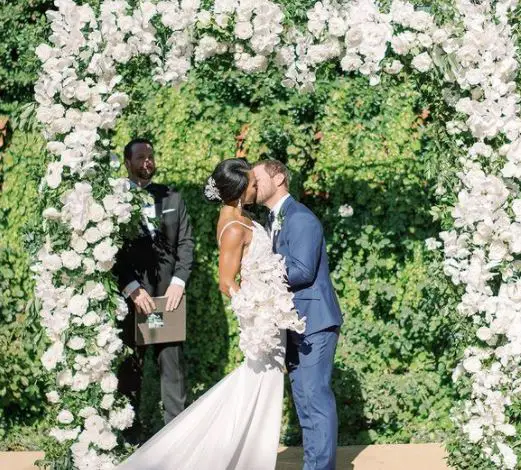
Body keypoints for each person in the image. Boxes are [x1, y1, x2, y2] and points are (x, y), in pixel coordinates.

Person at [116, 158, 305, 470]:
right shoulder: (232, 227)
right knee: (258, 385)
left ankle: (250, 458)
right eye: (253, 183)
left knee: (263, 388)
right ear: (240, 188)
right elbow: (225, 282)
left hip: (269, 314)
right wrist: (258, 310)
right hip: (261, 320)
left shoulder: (241, 217)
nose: (257, 186)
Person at [253, 159, 343, 470]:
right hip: (292, 321)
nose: (252, 185)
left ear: (278, 178)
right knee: (303, 400)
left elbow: (303, 271)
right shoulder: (271, 219)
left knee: (315, 397)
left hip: (315, 320)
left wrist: (258, 277)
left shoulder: (302, 218)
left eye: (257, 178)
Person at [113, 138, 194, 434]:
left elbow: (185, 242)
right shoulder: (113, 200)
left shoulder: (172, 196)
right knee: (129, 371)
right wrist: (131, 287)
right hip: (132, 299)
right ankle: (128, 439)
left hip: (168, 299)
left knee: (172, 370)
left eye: (151, 156)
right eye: (141, 157)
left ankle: (177, 436)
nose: (148, 161)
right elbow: (110, 251)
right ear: (128, 163)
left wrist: (178, 282)